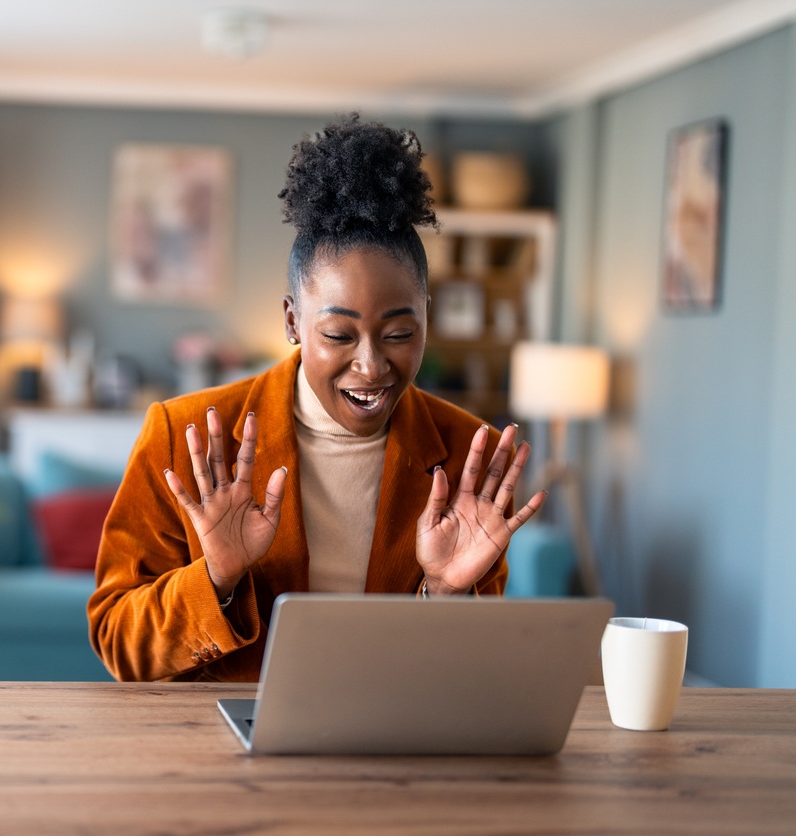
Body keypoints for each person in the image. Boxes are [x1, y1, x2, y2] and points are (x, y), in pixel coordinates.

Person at [88, 114, 546, 682]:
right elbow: (118, 643)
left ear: (427, 315)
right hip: (227, 750)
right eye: (338, 335)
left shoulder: (462, 455)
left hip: (391, 750)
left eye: (400, 334)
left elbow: (472, 683)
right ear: (293, 321)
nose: (372, 365)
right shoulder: (183, 437)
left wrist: (446, 595)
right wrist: (216, 581)